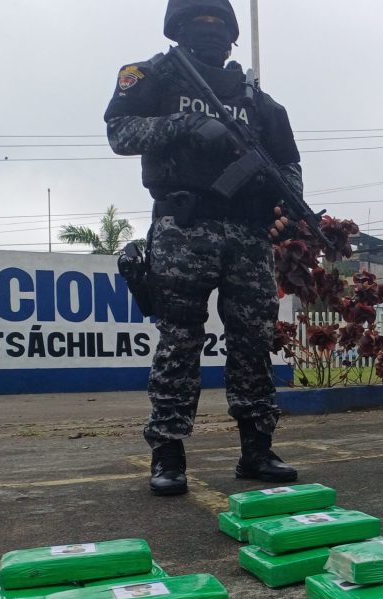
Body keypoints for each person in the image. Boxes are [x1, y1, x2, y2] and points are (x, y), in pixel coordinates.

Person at [105, 0, 299, 495]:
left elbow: (287, 165)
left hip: (247, 236)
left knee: (253, 342)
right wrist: (186, 125)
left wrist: (283, 210)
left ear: (233, 35)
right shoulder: (152, 76)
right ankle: (168, 453)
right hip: (184, 227)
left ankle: (257, 448)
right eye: (201, 24)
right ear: (179, 28)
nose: (211, 32)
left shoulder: (257, 99)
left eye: (220, 25)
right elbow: (121, 133)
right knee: (180, 340)